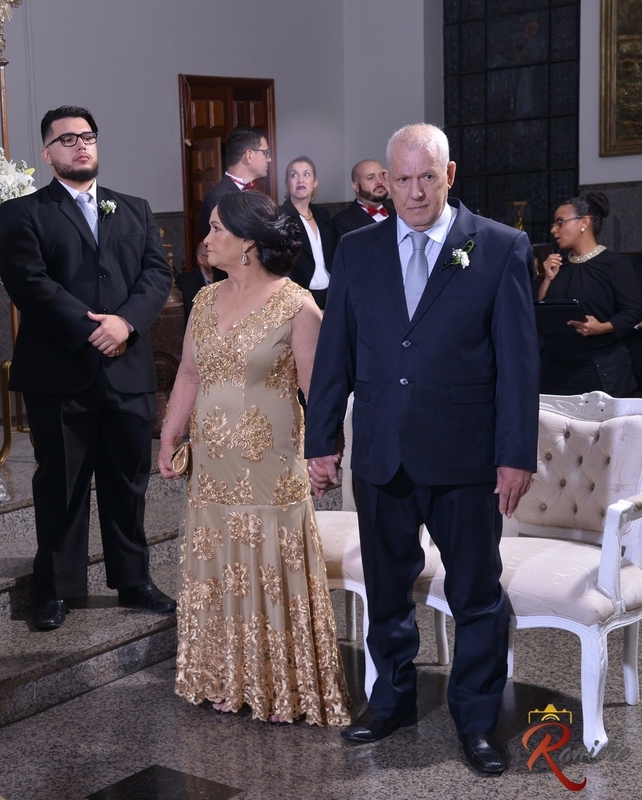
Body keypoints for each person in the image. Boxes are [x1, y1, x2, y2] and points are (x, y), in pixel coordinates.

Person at [305, 124, 538, 775]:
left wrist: (516, 453)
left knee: (475, 595)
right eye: (400, 179)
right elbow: (335, 355)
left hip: (466, 458)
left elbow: (519, 365)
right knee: (386, 591)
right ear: (385, 180)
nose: (412, 191)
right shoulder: (358, 250)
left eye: (425, 178)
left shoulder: (493, 248)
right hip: (381, 452)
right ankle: (392, 701)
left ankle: (476, 720)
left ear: (449, 174)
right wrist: (321, 440)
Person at [159, 190, 351, 726]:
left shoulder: (298, 306)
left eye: (218, 228)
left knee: (266, 563)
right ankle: (225, 674)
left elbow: (319, 392)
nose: (207, 238)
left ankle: (276, 683)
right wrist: (169, 436)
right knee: (220, 562)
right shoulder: (203, 300)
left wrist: (322, 457)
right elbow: (189, 376)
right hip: (213, 468)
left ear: (247, 244)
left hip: (270, 467)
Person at [0, 105, 176, 632]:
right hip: (60, 371)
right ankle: (56, 587)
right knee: (62, 484)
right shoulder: (23, 213)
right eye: (68, 139)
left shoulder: (135, 209)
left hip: (128, 371)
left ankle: (134, 579)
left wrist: (125, 324)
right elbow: (29, 283)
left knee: (128, 482)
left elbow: (156, 274)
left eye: (88, 137)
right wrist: (91, 327)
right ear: (48, 152)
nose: (81, 145)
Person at [537, 193, 642, 397]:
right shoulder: (558, 265)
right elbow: (541, 309)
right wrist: (547, 279)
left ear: (585, 222)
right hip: (554, 367)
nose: (553, 230)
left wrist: (602, 328)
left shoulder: (614, 264)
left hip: (599, 366)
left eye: (560, 222)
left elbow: (634, 311)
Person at [280, 157, 336, 308]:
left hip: (330, 296)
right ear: (287, 183)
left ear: (315, 182)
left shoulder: (323, 215)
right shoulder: (279, 217)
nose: (300, 180)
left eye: (306, 174)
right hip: (298, 299)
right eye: (294, 175)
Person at [199, 126, 271, 239]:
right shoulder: (217, 197)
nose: (269, 159)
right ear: (249, 155)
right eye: (265, 153)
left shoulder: (256, 195)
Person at [331, 159, 393, 238]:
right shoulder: (342, 221)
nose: (379, 181)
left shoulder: (400, 214)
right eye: (370, 178)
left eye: (382, 176)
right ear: (356, 187)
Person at [175, 240, 224, 322]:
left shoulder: (223, 277)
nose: (216, 259)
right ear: (201, 259)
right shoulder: (188, 281)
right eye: (211, 255)